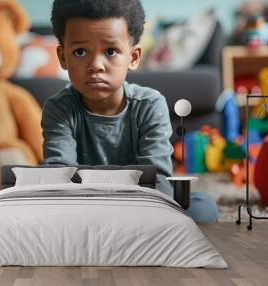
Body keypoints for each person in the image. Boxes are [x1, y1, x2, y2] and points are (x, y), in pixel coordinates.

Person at [42, 0, 218, 222]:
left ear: (133, 58)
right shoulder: (58, 108)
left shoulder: (150, 104)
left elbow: (158, 181)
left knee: (203, 207)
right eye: (79, 51)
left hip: (142, 206)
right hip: (85, 207)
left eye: (110, 51)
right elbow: (58, 181)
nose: (96, 64)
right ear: (63, 58)